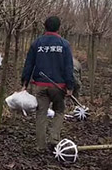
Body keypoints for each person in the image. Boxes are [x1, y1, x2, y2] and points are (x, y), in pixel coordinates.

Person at [20, 15, 76, 151]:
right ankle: (54, 138)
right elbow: (69, 67)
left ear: (44, 26)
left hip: (40, 85)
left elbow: (29, 64)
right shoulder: (64, 44)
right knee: (59, 111)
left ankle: (40, 145)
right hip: (59, 86)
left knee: (41, 114)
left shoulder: (37, 43)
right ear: (59, 27)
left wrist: (24, 82)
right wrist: (70, 86)